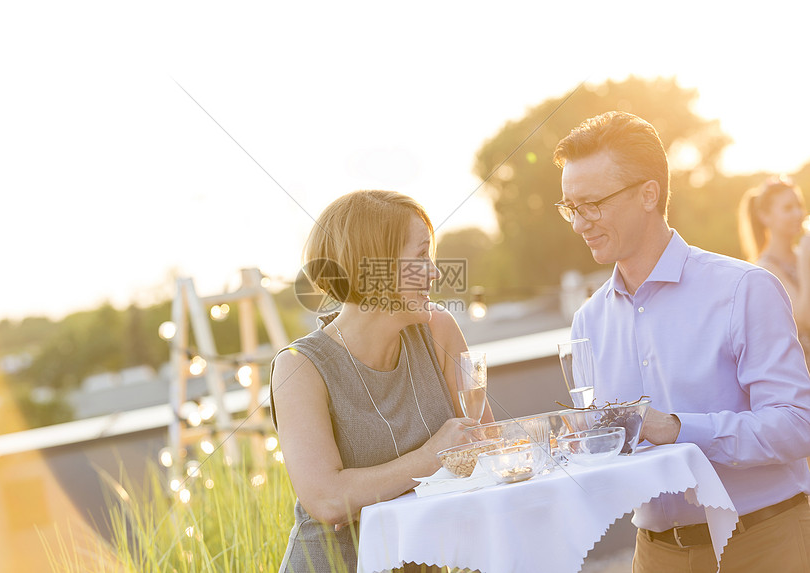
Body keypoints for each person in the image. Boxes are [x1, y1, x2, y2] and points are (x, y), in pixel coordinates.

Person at [553, 111, 810, 572]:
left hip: (765, 544)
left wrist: (676, 429)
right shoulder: (587, 323)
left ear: (649, 194)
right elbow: (604, 453)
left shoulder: (744, 289)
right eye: (572, 207)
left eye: (593, 204)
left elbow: (796, 426)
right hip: (655, 555)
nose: (579, 224)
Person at [270, 190, 493, 573]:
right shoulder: (299, 367)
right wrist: (431, 458)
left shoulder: (439, 328)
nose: (435, 273)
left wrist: (363, 492)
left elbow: (486, 445)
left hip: (434, 560)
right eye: (421, 256)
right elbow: (325, 500)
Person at [738, 175, 810, 360]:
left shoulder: (803, 255)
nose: (798, 214)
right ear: (764, 216)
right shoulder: (763, 270)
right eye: (788, 208)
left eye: (799, 206)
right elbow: (805, 320)